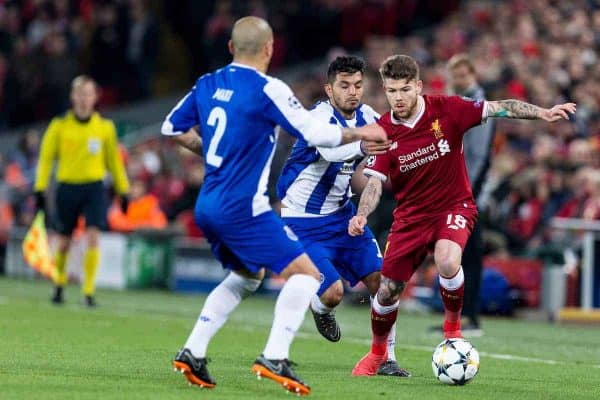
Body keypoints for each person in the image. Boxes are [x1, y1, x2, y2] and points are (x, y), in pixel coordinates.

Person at [161, 17, 386, 396]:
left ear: (231, 48)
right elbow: (315, 133)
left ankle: (193, 351)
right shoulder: (269, 89)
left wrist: (214, 153)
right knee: (307, 275)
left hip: (208, 204)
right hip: (244, 208)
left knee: (247, 277)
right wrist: (361, 133)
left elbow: (171, 127)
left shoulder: (207, 83)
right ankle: (274, 356)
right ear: (269, 50)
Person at [348, 54, 576, 376]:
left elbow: (500, 106)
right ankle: (376, 354)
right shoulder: (383, 131)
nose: (398, 98)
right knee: (387, 292)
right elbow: (373, 184)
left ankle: (453, 331)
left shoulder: (448, 108)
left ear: (418, 86)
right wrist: (361, 214)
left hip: (454, 206)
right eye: (391, 91)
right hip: (411, 217)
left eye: (404, 90)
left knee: (448, 260)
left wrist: (543, 113)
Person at [277, 55, 408, 377]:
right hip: (302, 222)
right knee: (333, 293)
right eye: (344, 85)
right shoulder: (316, 118)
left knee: (386, 284)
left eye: (358, 85)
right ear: (329, 88)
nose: (353, 92)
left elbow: (397, 139)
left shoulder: (368, 116)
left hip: (342, 216)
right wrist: (366, 145)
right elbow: (333, 150)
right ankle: (321, 308)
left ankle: (386, 358)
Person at [34, 75, 130, 307]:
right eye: (80, 94)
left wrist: (123, 190)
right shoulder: (59, 126)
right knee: (64, 241)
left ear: (95, 97)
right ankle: (58, 285)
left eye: (88, 94)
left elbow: (114, 162)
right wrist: (40, 189)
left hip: (94, 188)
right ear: (72, 97)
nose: (84, 99)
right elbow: (46, 159)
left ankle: (88, 292)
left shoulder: (105, 128)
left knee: (93, 236)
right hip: (67, 187)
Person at [428, 53, 496, 336]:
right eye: (453, 75)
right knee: (461, 251)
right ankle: (461, 316)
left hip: (467, 190)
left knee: (467, 252)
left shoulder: (477, 105)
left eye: (461, 75)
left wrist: (469, 192)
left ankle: (469, 316)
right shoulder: (461, 102)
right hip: (458, 187)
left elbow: (479, 155)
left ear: (471, 75)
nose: (457, 80)